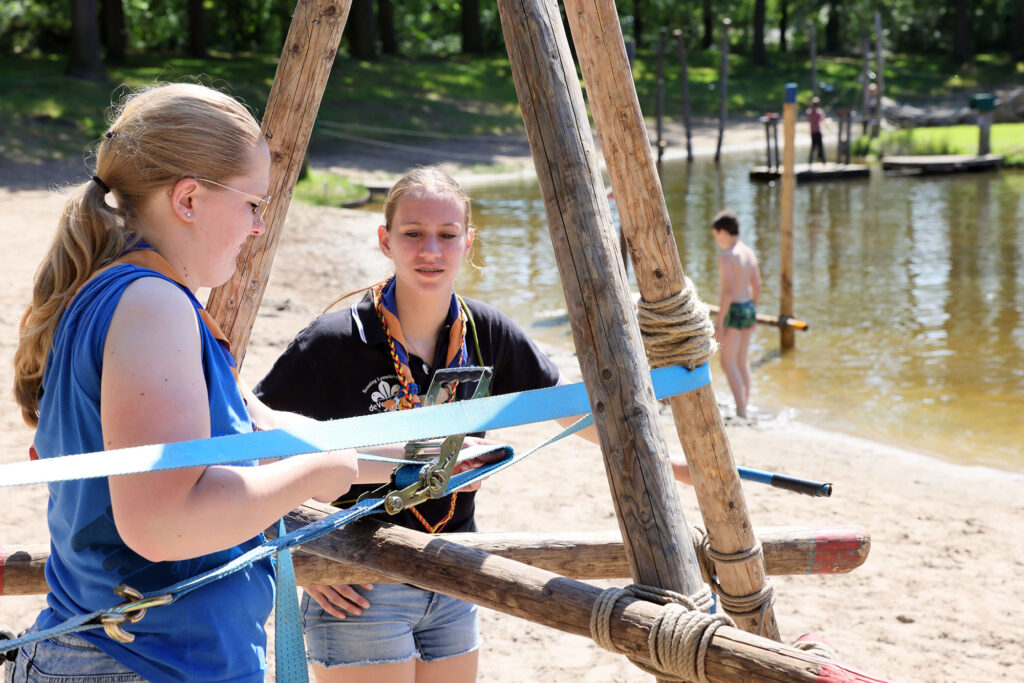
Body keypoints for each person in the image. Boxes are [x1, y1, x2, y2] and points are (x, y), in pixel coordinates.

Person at [9, 83, 396, 682]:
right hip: (139, 667)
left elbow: (262, 428)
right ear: (188, 198)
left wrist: (413, 455)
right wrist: (329, 472)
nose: (260, 227)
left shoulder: (140, 298)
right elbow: (164, 522)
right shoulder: (152, 306)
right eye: (252, 205)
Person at [255, 167, 693, 682]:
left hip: (457, 567)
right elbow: (249, 445)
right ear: (385, 240)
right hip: (360, 582)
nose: (430, 251)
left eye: (447, 235)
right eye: (413, 234)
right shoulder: (332, 341)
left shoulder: (489, 331)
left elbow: (568, 408)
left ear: (468, 242)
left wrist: (661, 462)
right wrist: (299, 548)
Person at [711, 210, 761, 419]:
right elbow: (757, 285)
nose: (717, 240)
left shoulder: (727, 256)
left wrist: (719, 321)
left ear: (723, 232)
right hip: (748, 307)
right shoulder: (749, 253)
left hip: (733, 310)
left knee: (727, 363)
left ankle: (741, 410)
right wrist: (754, 310)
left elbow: (728, 292)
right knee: (741, 362)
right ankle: (744, 405)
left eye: (716, 235)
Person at [806, 96, 826, 165]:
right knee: (820, 147)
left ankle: (810, 161)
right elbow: (822, 120)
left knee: (813, 147)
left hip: (812, 132)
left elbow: (809, 118)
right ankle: (823, 161)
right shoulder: (819, 112)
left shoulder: (809, 112)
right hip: (818, 131)